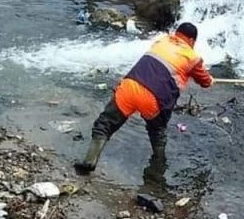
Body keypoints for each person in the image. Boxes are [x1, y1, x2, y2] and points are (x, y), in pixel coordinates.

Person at [75, 22, 214, 174]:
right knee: (157, 132)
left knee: (104, 124)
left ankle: (89, 161)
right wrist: (210, 80)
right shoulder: (193, 57)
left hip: (129, 86)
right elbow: (205, 82)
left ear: (176, 34)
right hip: (154, 99)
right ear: (192, 41)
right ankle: (158, 169)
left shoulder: (162, 40)